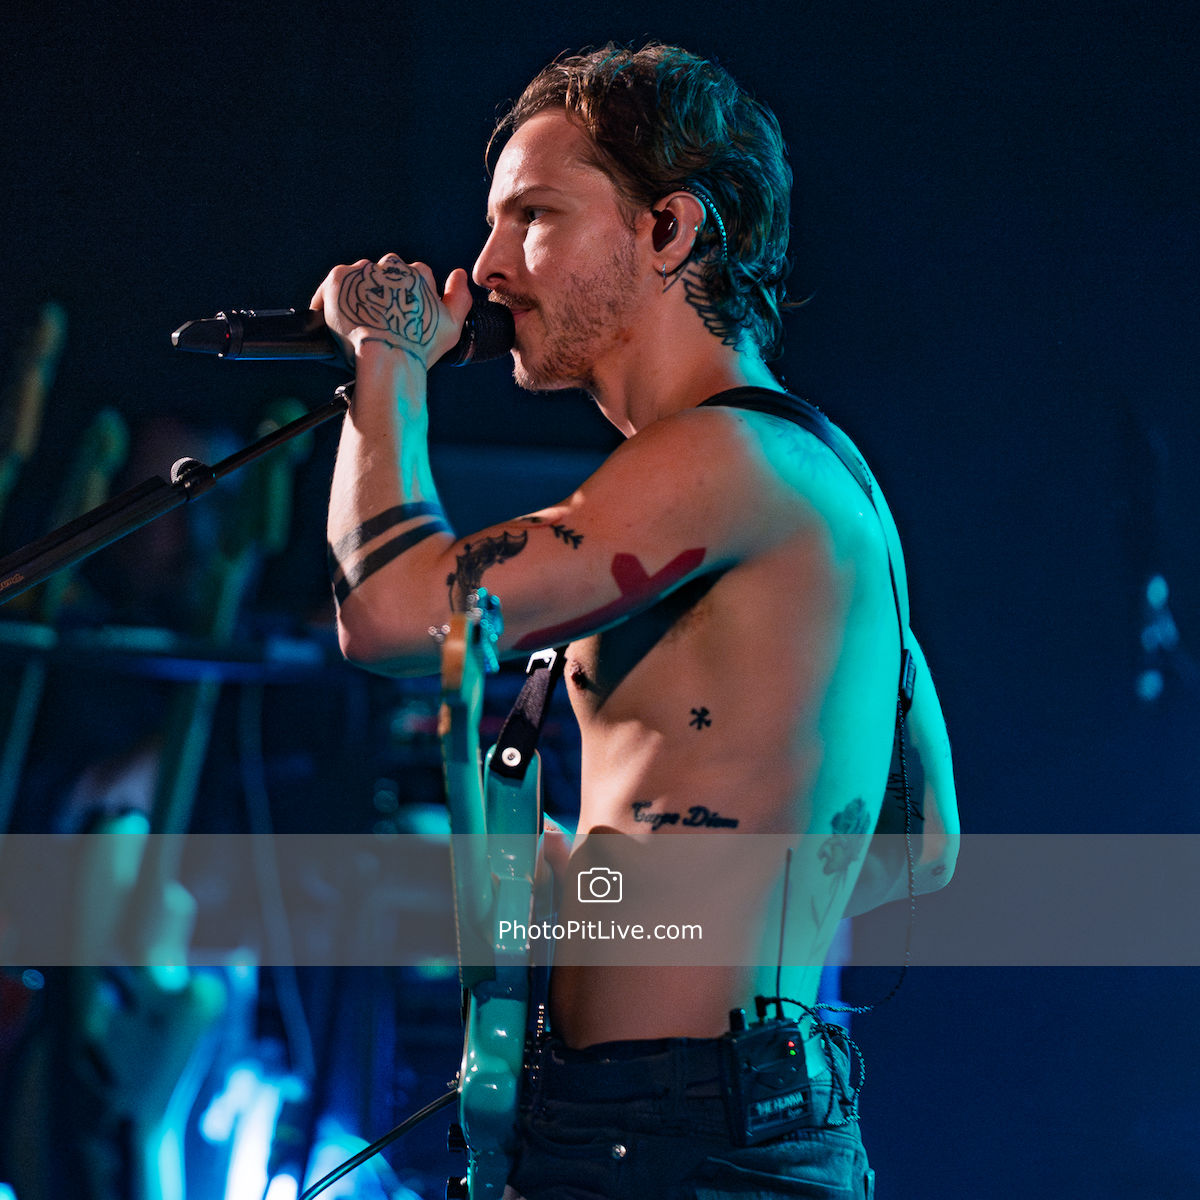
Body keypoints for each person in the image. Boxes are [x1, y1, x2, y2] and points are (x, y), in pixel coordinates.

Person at [313, 42, 958, 1200]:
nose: (486, 267)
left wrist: (386, 364)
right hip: (690, 1115)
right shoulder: (821, 470)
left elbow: (389, 613)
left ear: (670, 229)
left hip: (679, 1132)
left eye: (533, 218)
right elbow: (921, 843)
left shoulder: (723, 457)